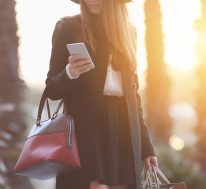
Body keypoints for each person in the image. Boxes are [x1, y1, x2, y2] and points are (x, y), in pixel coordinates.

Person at [44, 0, 158, 188]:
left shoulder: (130, 32)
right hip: (86, 130)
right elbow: (52, 89)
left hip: (124, 128)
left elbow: (133, 95)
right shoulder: (68, 27)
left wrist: (146, 146)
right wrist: (70, 72)